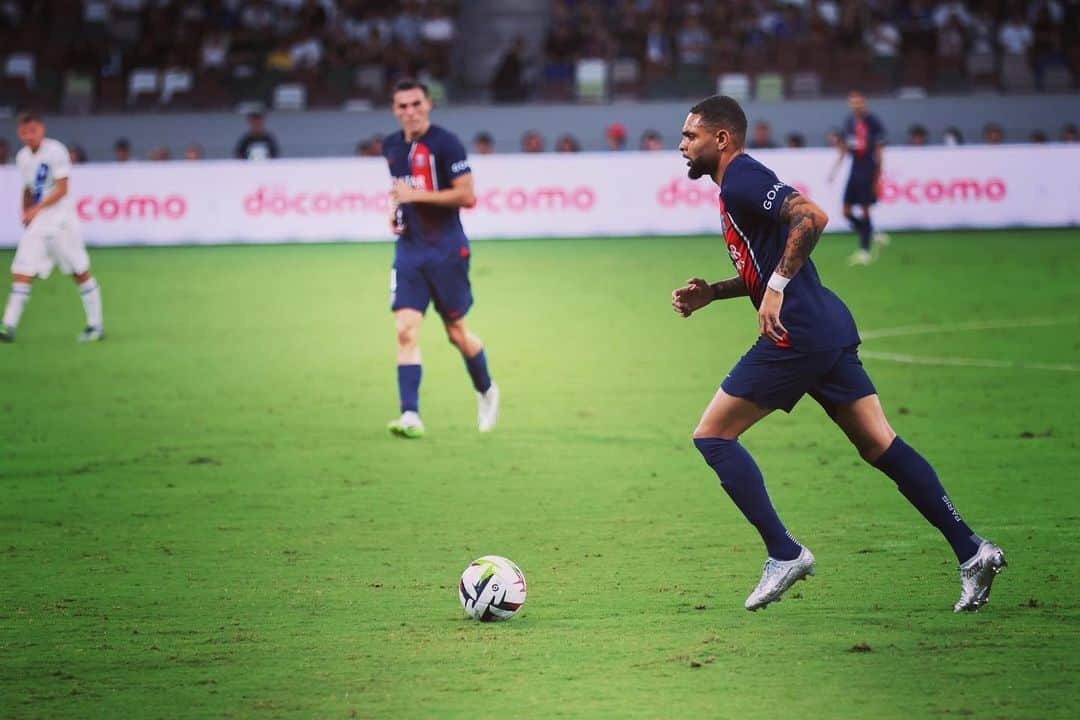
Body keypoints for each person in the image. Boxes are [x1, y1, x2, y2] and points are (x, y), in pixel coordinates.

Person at [672, 95, 1005, 613]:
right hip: (823, 327)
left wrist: (777, 287)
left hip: (796, 333)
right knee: (881, 445)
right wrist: (714, 292)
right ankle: (972, 551)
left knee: (713, 436)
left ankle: (784, 553)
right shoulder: (736, 184)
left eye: (690, 136)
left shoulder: (740, 179)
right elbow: (766, 259)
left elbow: (813, 216)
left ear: (722, 138)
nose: (681, 145)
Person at [383, 78, 499, 438]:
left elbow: (467, 196)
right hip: (409, 251)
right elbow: (401, 193)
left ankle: (486, 390)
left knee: (456, 333)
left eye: (416, 103)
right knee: (405, 331)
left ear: (428, 104)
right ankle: (410, 415)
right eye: (402, 106)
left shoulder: (446, 143)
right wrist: (396, 210)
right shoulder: (390, 146)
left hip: (447, 251)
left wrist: (416, 196)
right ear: (394, 110)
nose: (410, 111)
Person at [2, 111, 104, 343]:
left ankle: (95, 326)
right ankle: (7, 326)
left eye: (33, 130)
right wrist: (25, 211)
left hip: (61, 222)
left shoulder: (56, 151)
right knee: (22, 271)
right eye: (24, 132)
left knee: (79, 272)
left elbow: (62, 189)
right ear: (19, 132)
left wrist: (37, 209)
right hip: (39, 224)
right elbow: (28, 188)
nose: (29, 136)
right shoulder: (22, 157)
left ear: (42, 129)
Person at [829, 91, 887, 266]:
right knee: (846, 211)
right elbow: (845, 148)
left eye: (859, 102)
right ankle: (871, 233)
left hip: (868, 168)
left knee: (865, 209)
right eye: (853, 102)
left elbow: (879, 151)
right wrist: (835, 169)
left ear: (864, 103)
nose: (856, 105)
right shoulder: (849, 122)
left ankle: (864, 251)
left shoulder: (873, 122)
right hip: (854, 169)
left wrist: (877, 178)